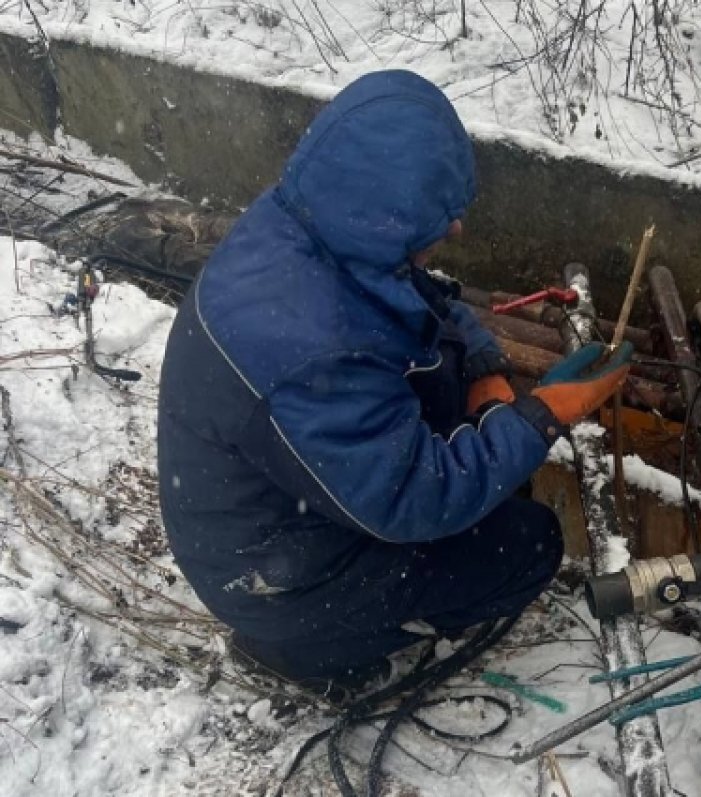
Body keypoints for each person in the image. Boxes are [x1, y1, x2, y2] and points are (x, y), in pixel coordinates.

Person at [157, 70, 631, 691]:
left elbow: (423, 303)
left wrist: (485, 368)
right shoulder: (313, 352)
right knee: (529, 547)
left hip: (275, 501)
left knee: (474, 433)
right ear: (383, 210)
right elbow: (413, 500)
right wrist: (541, 417)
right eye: (438, 213)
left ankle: (335, 616)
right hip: (271, 576)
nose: (455, 228)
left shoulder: (309, 224)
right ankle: (305, 652)